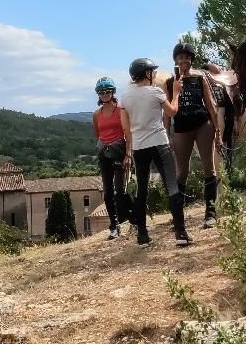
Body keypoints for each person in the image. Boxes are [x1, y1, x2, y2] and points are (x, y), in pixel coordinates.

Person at [120, 58, 191, 247]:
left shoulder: (125, 98)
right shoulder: (156, 92)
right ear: (146, 74)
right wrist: (176, 92)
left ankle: (142, 236)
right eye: (152, 72)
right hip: (159, 143)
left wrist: (130, 147)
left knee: (141, 190)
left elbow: (126, 128)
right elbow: (173, 112)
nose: (154, 75)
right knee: (171, 186)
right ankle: (180, 233)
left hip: (139, 147)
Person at [166, 42, 223, 228]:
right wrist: (167, 134)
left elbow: (210, 104)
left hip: (202, 125)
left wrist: (218, 131)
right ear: (176, 60)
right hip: (182, 127)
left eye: (188, 57)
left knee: (209, 167)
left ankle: (210, 213)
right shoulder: (170, 82)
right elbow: (167, 111)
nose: (185, 60)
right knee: (182, 171)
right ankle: (177, 214)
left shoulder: (200, 79)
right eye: (181, 57)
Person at [92, 77, 132, 239]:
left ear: (113, 92)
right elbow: (98, 134)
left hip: (119, 152)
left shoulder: (121, 110)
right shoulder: (96, 114)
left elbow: (128, 133)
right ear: (98, 95)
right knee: (108, 192)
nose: (104, 94)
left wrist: (128, 154)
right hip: (104, 154)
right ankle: (114, 225)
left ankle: (130, 217)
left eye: (107, 91)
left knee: (120, 190)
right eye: (101, 92)